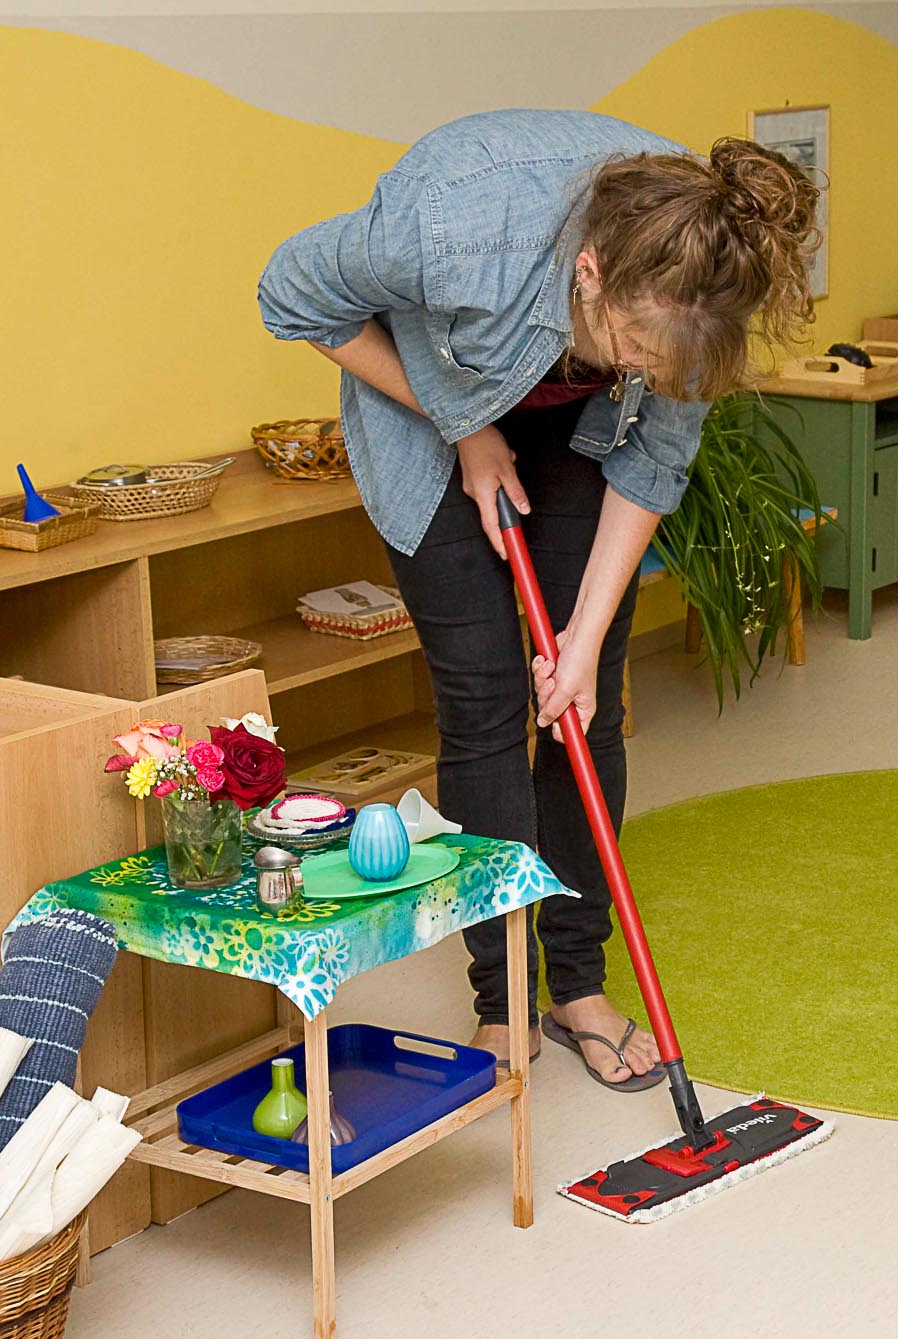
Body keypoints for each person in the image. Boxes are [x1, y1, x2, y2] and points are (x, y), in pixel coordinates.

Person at [258, 110, 817, 1089]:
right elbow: (291, 295)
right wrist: (462, 422)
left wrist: (586, 635)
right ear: (591, 272)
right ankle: (501, 998)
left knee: (578, 699)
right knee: (482, 703)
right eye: (630, 343)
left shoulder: (697, 280)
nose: (647, 365)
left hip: (579, 433)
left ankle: (577, 983)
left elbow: (652, 464)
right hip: (422, 417)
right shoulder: (447, 226)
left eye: (663, 359)